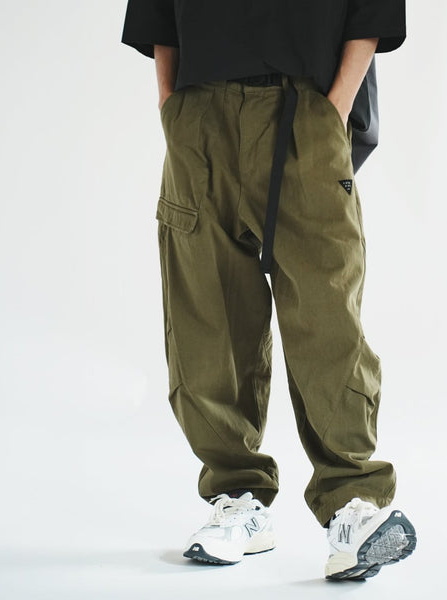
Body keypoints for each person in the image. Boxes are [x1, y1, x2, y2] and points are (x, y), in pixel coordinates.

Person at [121, 0, 417, 581]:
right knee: (207, 318)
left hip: (306, 107)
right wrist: (172, 106)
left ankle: (353, 505)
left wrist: (333, 110)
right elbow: (155, 10)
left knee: (328, 317)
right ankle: (238, 499)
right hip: (200, 114)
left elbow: (374, 9)